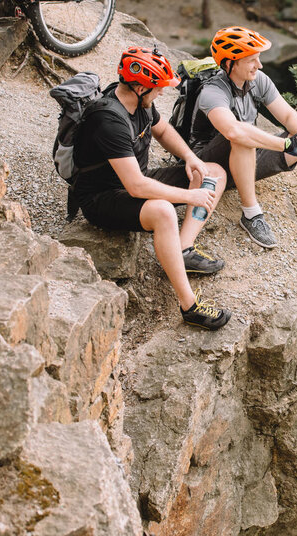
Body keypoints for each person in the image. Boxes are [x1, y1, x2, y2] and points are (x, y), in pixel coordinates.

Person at [73, 46, 231, 330]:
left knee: (214, 172)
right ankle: (190, 306)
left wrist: (191, 158)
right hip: (102, 198)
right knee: (162, 212)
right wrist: (189, 195)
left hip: (135, 178)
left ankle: (183, 250)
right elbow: (136, 186)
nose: (161, 93)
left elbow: (163, 131)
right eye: (157, 88)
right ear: (139, 86)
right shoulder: (109, 120)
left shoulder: (140, 103)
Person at [189, 26, 297, 252]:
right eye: (251, 60)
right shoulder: (213, 92)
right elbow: (233, 131)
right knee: (244, 137)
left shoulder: (258, 80)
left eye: (258, 58)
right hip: (210, 165)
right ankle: (251, 215)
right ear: (231, 62)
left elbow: (289, 115)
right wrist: (286, 144)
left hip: (245, 161)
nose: (259, 65)